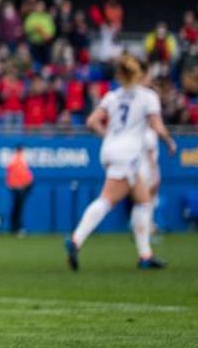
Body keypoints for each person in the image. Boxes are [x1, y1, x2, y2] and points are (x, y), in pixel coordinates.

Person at [66, 53, 178, 270]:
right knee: (107, 199)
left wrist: (108, 135)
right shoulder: (147, 97)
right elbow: (157, 126)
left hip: (110, 150)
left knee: (144, 201)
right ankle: (75, 240)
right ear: (141, 75)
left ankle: (145, 256)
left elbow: (91, 121)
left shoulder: (113, 96)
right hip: (128, 154)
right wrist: (169, 142)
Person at [7, 144, 34, 237]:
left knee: (16, 209)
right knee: (18, 209)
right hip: (19, 188)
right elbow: (23, 175)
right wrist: (28, 182)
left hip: (16, 187)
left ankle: (14, 228)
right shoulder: (18, 160)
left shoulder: (15, 160)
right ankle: (17, 228)